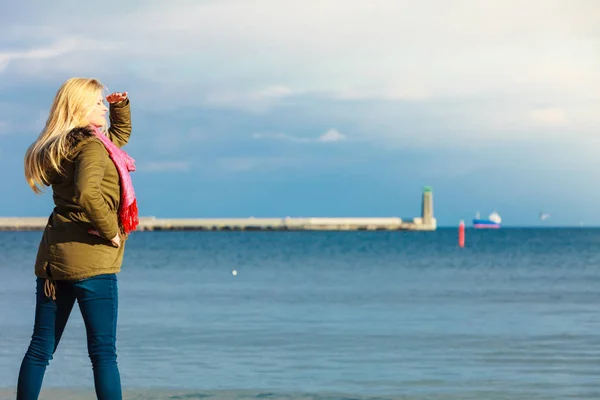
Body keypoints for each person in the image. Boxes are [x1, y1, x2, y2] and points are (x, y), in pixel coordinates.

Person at [17, 77, 139, 400]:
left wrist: (118, 108)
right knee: (103, 355)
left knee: (40, 348)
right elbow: (88, 193)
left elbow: (119, 137)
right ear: (80, 108)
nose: (102, 105)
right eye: (98, 102)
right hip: (93, 262)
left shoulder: (66, 145)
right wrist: (111, 230)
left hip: (54, 263)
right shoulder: (93, 147)